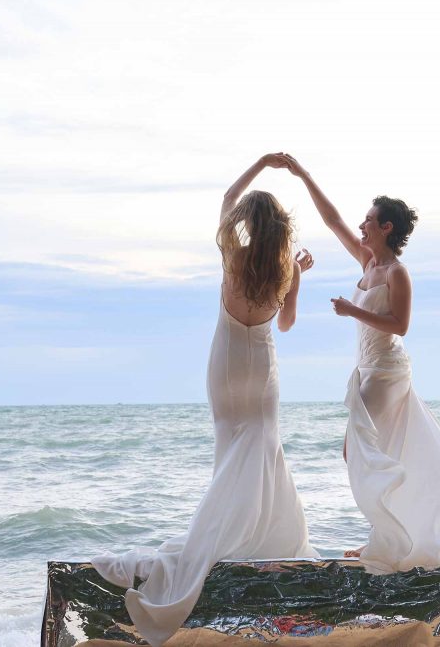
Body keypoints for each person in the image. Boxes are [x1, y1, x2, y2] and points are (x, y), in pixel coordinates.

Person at [92, 153, 318, 647]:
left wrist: (262, 163)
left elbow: (228, 197)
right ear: (281, 230)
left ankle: (221, 537)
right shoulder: (285, 270)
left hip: (225, 366)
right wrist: (298, 274)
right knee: (263, 449)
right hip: (262, 369)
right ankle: (258, 537)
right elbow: (285, 324)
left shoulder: (233, 259)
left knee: (230, 451)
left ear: (247, 224)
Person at [284, 153, 440, 574]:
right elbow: (333, 220)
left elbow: (401, 325)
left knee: (358, 450)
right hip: (366, 369)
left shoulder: (397, 272)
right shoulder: (367, 262)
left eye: (369, 220)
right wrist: (303, 175)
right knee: (370, 453)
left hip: (387, 371)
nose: (362, 225)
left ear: (386, 227)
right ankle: (392, 532)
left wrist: (352, 311)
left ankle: (387, 537)